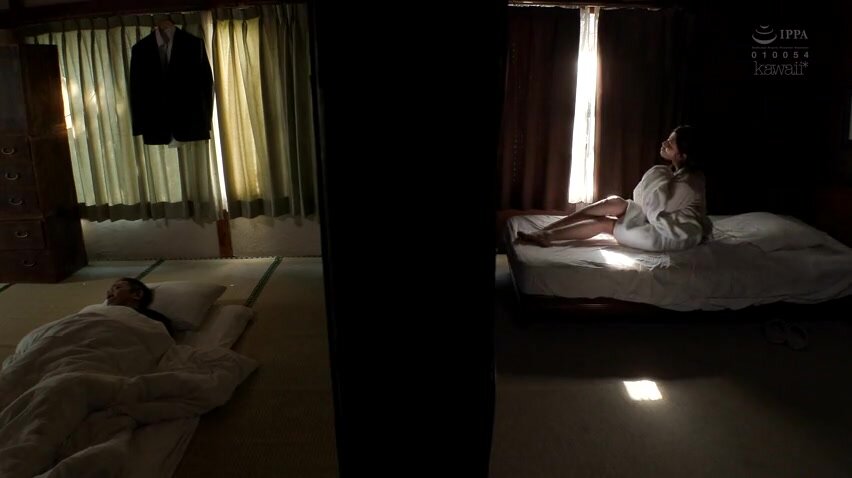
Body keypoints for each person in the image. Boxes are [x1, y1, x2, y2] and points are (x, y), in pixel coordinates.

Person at [516, 125, 712, 252]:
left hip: (667, 233)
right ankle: (547, 229)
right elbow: (645, 201)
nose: (664, 143)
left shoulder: (689, 184)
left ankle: (547, 236)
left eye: (669, 144)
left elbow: (652, 207)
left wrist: (657, 174)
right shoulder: (675, 174)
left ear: (682, 156)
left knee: (606, 223)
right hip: (661, 219)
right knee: (614, 202)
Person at [106, 277, 174, 336]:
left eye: (117, 287)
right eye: (110, 290)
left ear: (137, 294)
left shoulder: (155, 319)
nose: (109, 292)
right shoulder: (105, 315)